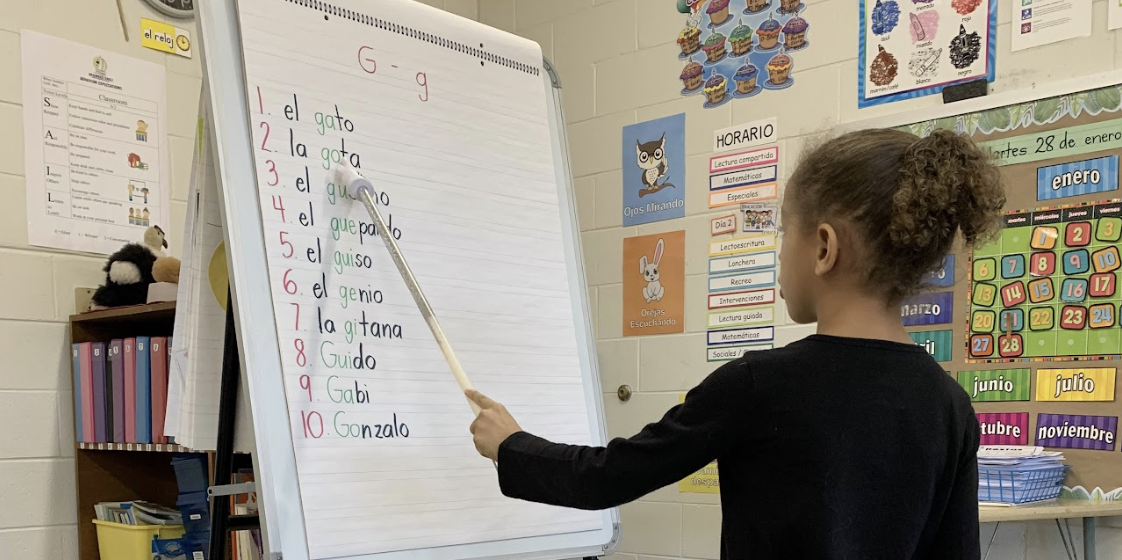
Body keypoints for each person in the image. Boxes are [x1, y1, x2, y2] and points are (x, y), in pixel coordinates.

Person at [466, 128, 1006, 559]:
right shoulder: (949, 406)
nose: (777, 252)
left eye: (781, 231)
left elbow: (611, 476)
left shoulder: (759, 385)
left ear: (823, 247)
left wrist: (511, 445)